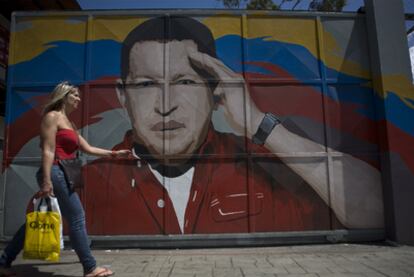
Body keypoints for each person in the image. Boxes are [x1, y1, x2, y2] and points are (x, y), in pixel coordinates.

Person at [83, 16, 384, 235]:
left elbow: (378, 210)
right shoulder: (83, 188)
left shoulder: (272, 169)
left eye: (185, 81)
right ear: (123, 96)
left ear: (216, 90)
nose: (165, 105)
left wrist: (256, 122)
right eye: (147, 84)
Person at [0, 82, 130, 277]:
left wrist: (115, 154)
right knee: (77, 217)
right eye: (75, 95)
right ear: (63, 96)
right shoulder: (52, 117)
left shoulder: (69, 123)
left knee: (38, 219)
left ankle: (4, 261)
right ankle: (90, 267)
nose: (78, 99)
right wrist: (46, 180)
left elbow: (88, 148)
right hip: (54, 171)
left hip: (63, 173)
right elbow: (48, 149)